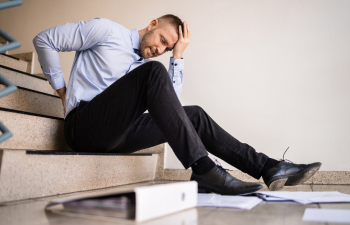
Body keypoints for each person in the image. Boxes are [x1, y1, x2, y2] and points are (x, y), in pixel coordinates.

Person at [33, 14, 321, 195]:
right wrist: (61, 90)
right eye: (161, 41)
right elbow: (45, 39)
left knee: (192, 115)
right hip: (82, 127)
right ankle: (203, 168)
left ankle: (267, 166)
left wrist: (178, 56)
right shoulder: (106, 31)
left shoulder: (143, 67)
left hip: (116, 134)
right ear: (152, 24)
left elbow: (170, 107)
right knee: (153, 72)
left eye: (166, 48)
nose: (159, 49)